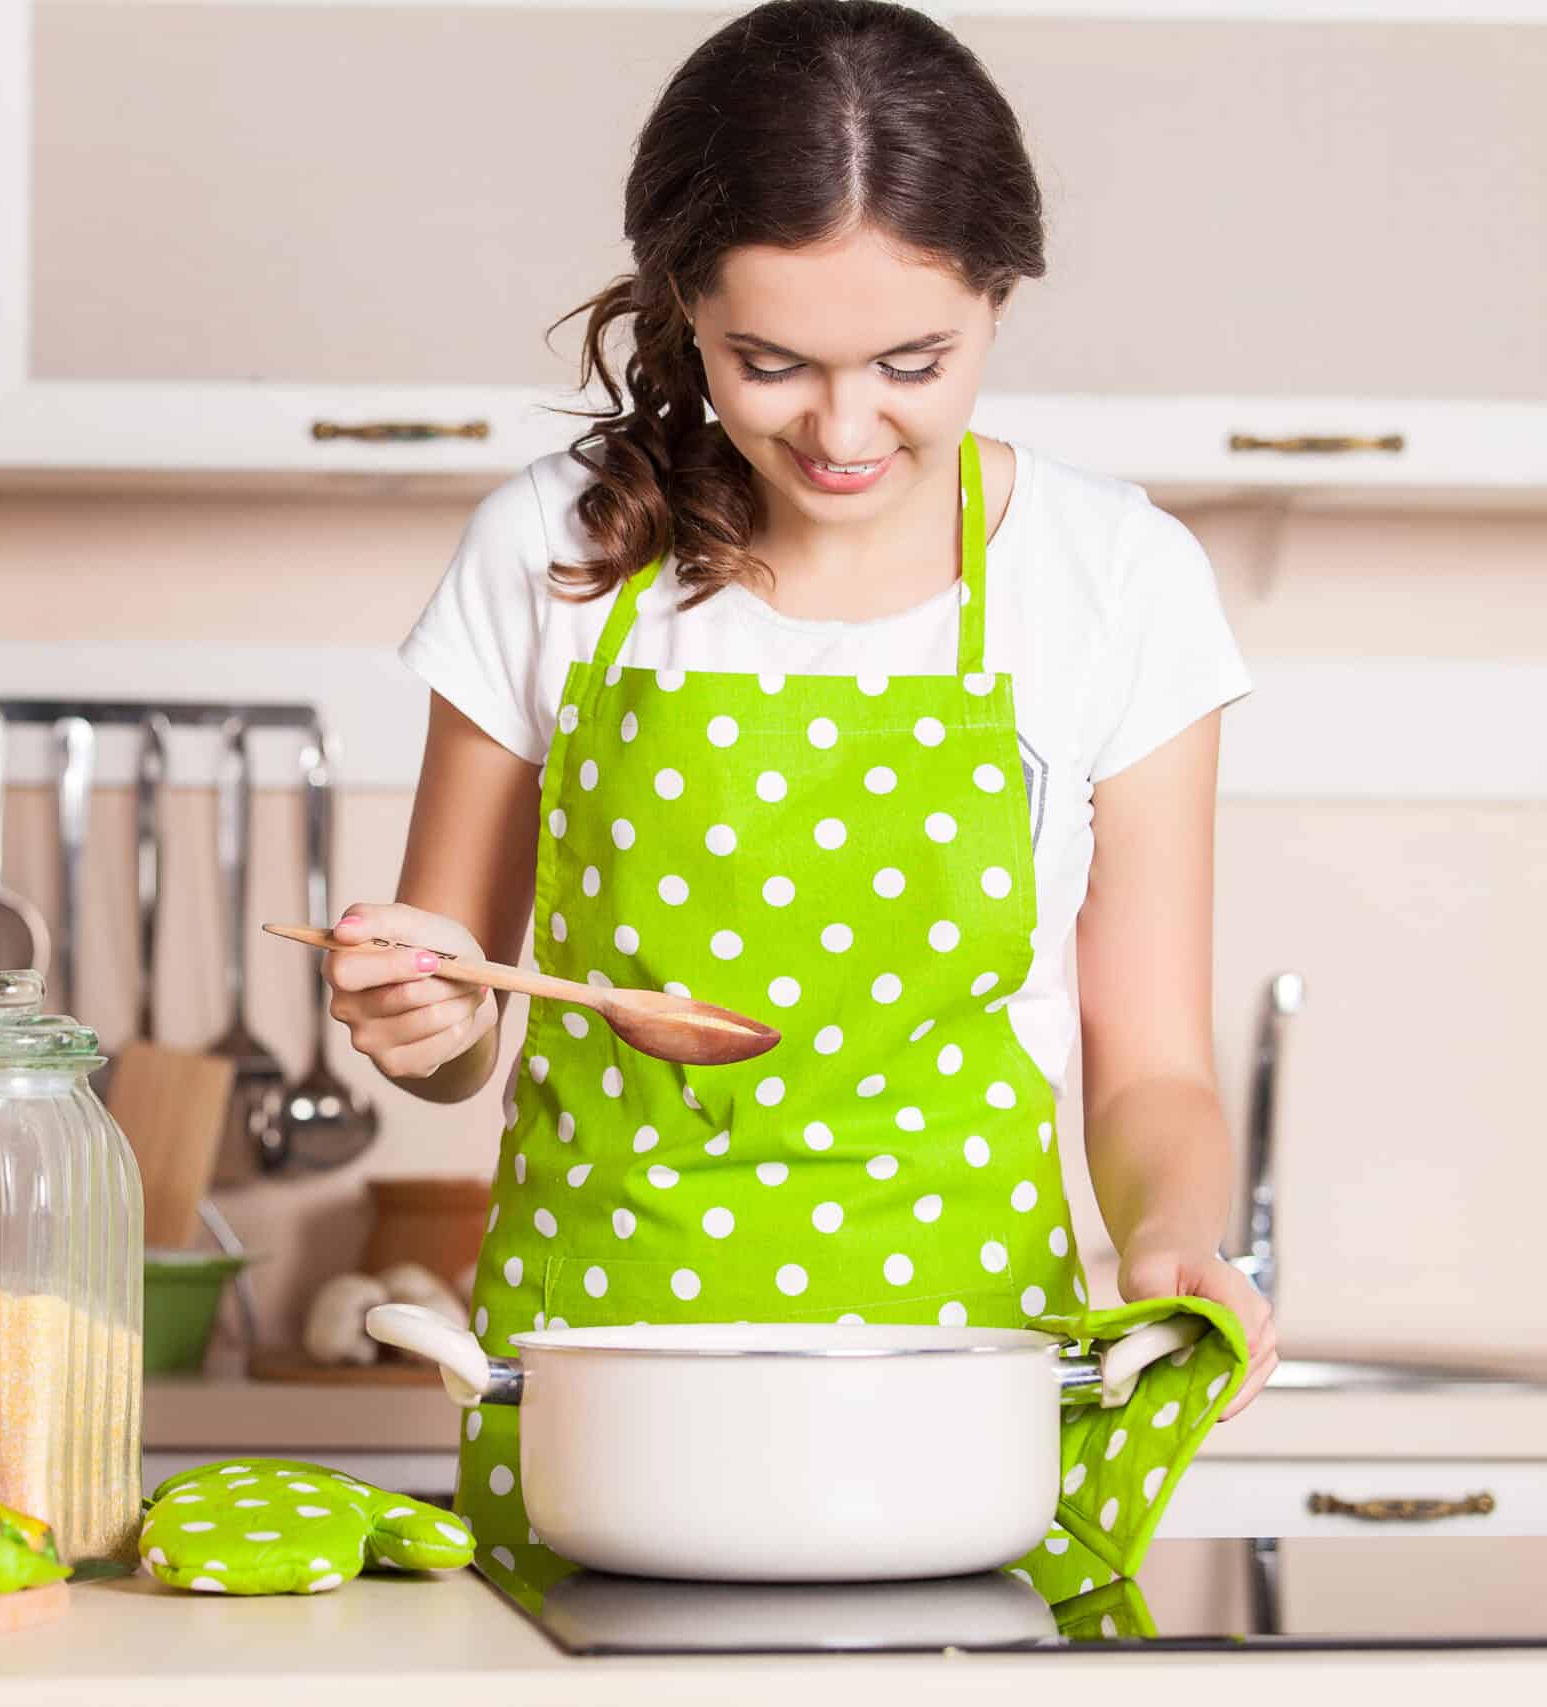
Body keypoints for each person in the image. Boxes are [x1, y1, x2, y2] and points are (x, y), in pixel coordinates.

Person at [320, 0, 1281, 1537]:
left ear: (1000, 297)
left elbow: (1153, 1063)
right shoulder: (552, 546)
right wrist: (413, 1002)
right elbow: (454, 1030)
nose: (844, 428)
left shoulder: (1117, 580)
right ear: (683, 305)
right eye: (770, 363)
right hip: (597, 1389)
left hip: (959, 1388)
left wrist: (1172, 1229)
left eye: (916, 360)